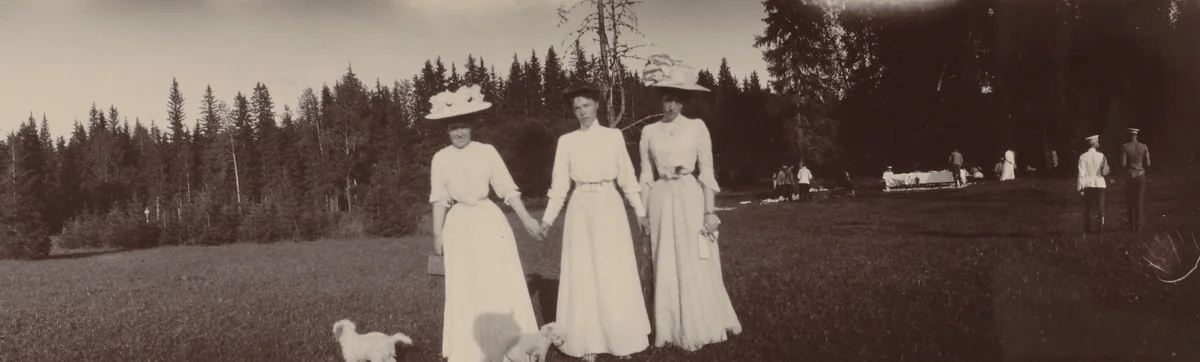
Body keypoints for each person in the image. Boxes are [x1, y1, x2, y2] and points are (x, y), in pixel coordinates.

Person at [426, 85, 543, 362]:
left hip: (488, 221)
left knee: (496, 279)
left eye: (463, 126)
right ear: (446, 129)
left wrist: (526, 218)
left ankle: (509, 345)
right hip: (458, 226)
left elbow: (507, 188)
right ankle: (469, 348)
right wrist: (437, 235)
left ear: (472, 126)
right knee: (465, 283)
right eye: (453, 127)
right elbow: (439, 200)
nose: (459, 133)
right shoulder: (440, 159)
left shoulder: (487, 152)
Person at [539, 81, 651, 360]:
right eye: (576, 107)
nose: (581, 111)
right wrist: (547, 219)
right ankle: (586, 342)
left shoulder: (613, 137)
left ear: (597, 105)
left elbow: (627, 177)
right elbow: (559, 185)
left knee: (614, 270)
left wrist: (640, 211)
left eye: (586, 105)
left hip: (608, 205)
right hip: (580, 209)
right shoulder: (567, 142)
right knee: (583, 273)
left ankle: (622, 340)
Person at [637, 53, 741, 351]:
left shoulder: (697, 127)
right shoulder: (648, 132)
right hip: (660, 199)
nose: (669, 106)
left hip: (690, 197)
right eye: (665, 99)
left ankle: (701, 321)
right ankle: (668, 327)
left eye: (675, 100)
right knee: (664, 259)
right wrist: (642, 212)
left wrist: (710, 212)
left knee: (695, 257)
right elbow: (645, 173)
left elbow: (707, 171)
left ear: (683, 101)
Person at [1077, 135, 1110, 235]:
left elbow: (1081, 173)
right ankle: (1101, 229)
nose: (1098, 144)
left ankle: (1088, 229)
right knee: (1100, 206)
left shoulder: (1083, 156)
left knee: (1088, 208)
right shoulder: (1101, 156)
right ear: (1093, 144)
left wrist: (1080, 188)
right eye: (1097, 142)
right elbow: (1106, 171)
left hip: (1087, 184)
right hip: (1099, 183)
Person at [1121, 128, 1151, 231]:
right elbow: (1148, 164)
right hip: (1140, 175)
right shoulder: (1143, 147)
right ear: (1136, 135)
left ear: (1129, 135)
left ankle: (1131, 225)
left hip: (1130, 176)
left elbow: (1123, 164)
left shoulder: (1125, 147)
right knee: (1139, 201)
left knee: (1130, 202)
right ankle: (1139, 226)